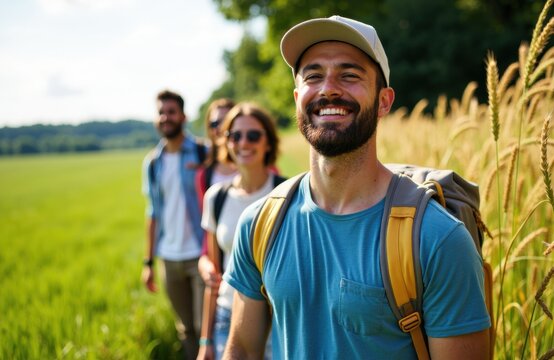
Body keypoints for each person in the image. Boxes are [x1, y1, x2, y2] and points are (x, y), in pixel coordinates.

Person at [222, 16, 491, 359]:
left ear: (384, 101)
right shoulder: (260, 223)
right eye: (313, 76)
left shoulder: (438, 239)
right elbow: (242, 350)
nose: (328, 88)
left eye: (349, 75)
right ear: (296, 97)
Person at [197, 102, 283, 360]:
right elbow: (214, 276)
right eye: (235, 135)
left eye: (253, 135)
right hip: (228, 316)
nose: (244, 142)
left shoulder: (288, 193)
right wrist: (205, 340)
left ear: (268, 142)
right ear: (226, 142)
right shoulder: (216, 198)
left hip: (280, 321)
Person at [142, 89, 206, 359]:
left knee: (206, 327)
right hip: (169, 259)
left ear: (183, 116)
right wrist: (148, 263)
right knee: (186, 329)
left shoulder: (203, 152)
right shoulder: (152, 163)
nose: (165, 117)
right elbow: (153, 212)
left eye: (171, 112)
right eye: (160, 112)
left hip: (200, 256)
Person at [195, 98, 238, 204]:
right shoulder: (204, 175)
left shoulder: (259, 163)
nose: (220, 127)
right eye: (214, 124)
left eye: (226, 121)